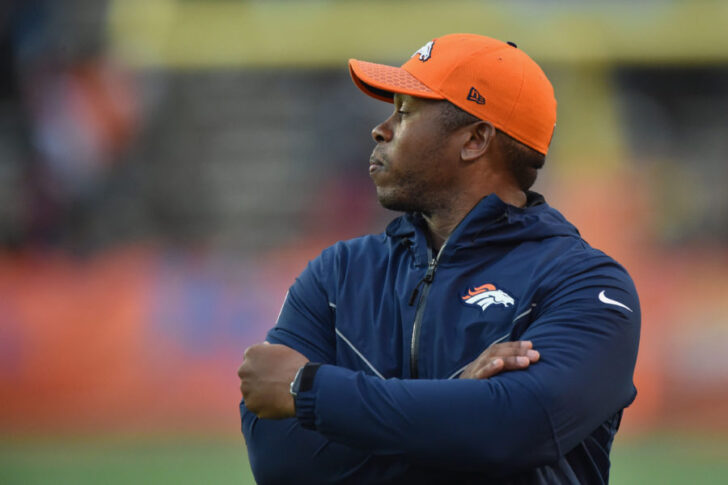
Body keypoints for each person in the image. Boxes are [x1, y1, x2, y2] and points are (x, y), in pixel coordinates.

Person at [237, 33, 640, 484]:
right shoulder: (339, 274)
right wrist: (456, 407)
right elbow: (282, 460)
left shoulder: (583, 283)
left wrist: (308, 391)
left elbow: (519, 429)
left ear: (474, 140)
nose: (381, 129)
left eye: (405, 112)